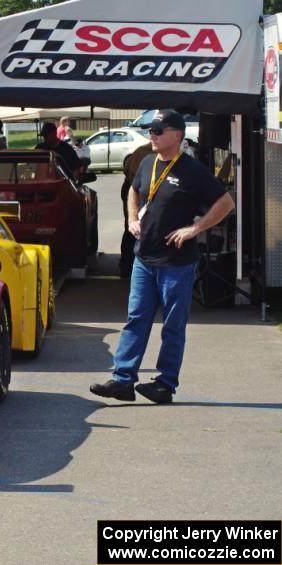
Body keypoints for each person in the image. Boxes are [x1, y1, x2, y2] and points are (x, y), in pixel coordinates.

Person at [90, 110, 235, 404]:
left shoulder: (192, 170)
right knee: (136, 319)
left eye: (158, 130)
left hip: (177, 264)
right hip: (144, 259)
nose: (152, 135)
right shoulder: (147, 162)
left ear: (177, 135)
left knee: (172, 325)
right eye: (151, 130)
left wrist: (194, 229)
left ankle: (165, 384)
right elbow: (133, 190)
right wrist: (132, 218)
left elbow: (226, 203)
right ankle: (123, 381)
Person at [119, 142, 155, 277]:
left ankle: (125, 265)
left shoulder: (140, 151)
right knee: (134, 229)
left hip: (131, 188)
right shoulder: (147, 154)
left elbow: (126, 168)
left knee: (130, 229)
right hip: (136, 191)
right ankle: (128, 265)